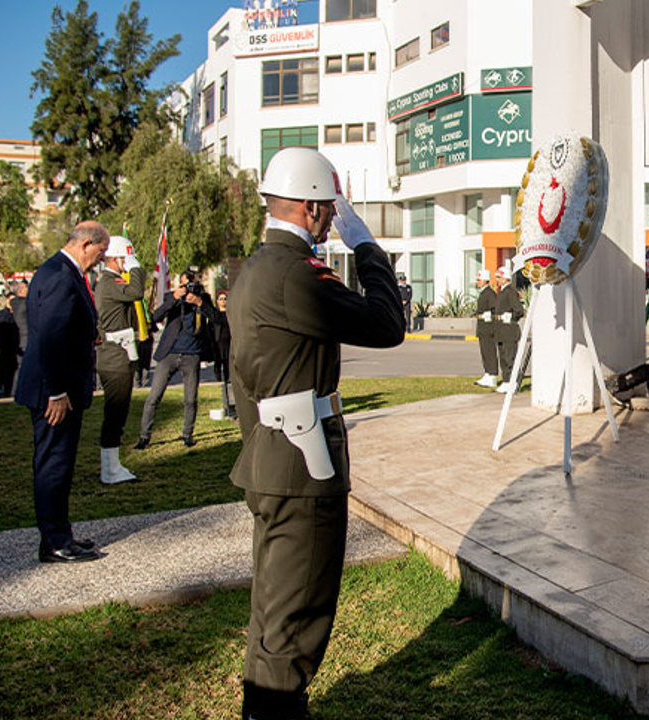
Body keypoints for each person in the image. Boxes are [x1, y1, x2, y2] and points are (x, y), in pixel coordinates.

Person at [228, 147, 403, 720]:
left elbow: (243, 379)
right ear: (310, 208)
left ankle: (265, 707)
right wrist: (368, 247)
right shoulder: (296, 274)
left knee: (274, 608)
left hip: (272, 456)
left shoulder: (252, 269)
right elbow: (386, 324)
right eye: (329, 211)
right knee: (298, 612)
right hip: (302, 465)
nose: (331, 220)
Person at [14, 222, 110, 563]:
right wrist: (55, 392)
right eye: (100, 252)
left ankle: (60, 533)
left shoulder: (59, 271)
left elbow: (63, 327)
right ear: (86, 244)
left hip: (59, 386)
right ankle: (54, 541)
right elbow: (49, 338)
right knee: (53, 465)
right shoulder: (59, 275)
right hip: (53, 391)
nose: (101, 260)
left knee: (60, 463)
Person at [135, 269, 212, 449]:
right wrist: (175, 298)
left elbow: (214, 317)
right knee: (154, 397)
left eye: (193, 284)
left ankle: (187, 435)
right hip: (169, 353)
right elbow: (156, 317)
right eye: (186, 284)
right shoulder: (173, 297)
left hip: (191, 355)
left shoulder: (203, 298)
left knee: (190, 399)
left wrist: (200, 302)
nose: (189, 288)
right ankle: (144, 437)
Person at [96, 235, 145, 484]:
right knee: (115, 413)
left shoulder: (109, 282)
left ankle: (112, 467)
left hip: (118, 353)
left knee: (118, 412)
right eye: (125, 259)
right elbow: (136, 291)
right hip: (115, 357)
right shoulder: (109, 281)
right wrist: (136, 267)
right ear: (116, 259)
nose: (127, 264)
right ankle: (110, 470)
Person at [493, 266, 525, 393]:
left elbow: (519, 310)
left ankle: (514, 382)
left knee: (510, 357)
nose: (497, 280)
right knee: (503, 358)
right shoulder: (502, 292)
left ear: (506, 278)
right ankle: (506, 381)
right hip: (501, 330)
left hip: (509, 330)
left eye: (499, 277)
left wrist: (511, 316)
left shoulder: (510, 292)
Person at [210, 289, 237, 421]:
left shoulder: (231, 313)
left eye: (224, 298)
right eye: (220, 299)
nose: (223, 301)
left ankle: (227, 378)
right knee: (219, 362)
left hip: (230, 342)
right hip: (218, 342)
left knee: (229, 364)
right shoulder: (215, 314)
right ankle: (219, 378)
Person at [0, 296, 21, 396]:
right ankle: (2, 387)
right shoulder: (0, 315)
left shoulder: (19, 313)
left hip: (17, 346)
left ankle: (13, 390)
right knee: (4, 367)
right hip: (5, 346)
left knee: (15, 368)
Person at [473, 269, 498, 387]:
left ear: (485, 280)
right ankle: (487, 373)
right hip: (483, 327)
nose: (477, 282)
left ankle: (492, 374)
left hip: (488, 327)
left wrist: (489, 315)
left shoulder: (490, 293)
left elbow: (495, 309)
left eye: (479, 280)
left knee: (489, 351)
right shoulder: (484, 293)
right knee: (484, 352)